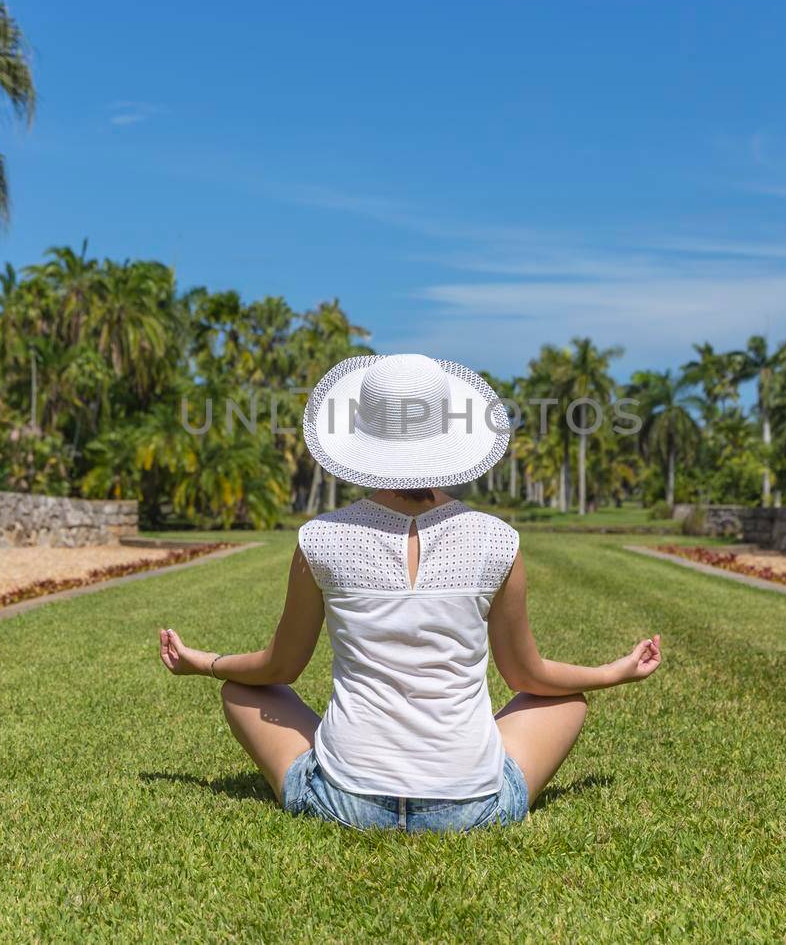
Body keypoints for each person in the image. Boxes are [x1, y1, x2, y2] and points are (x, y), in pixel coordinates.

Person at [158, 353, 662, 831]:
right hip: (473, 806)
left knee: (240, 689)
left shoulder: (322, 538)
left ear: (361, 435)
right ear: (448, 433)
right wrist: (611, 673)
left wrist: (202, 661)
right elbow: (526, 676)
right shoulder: (496, 539)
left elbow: (278, 669)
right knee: (568, 701)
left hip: (343, 801)